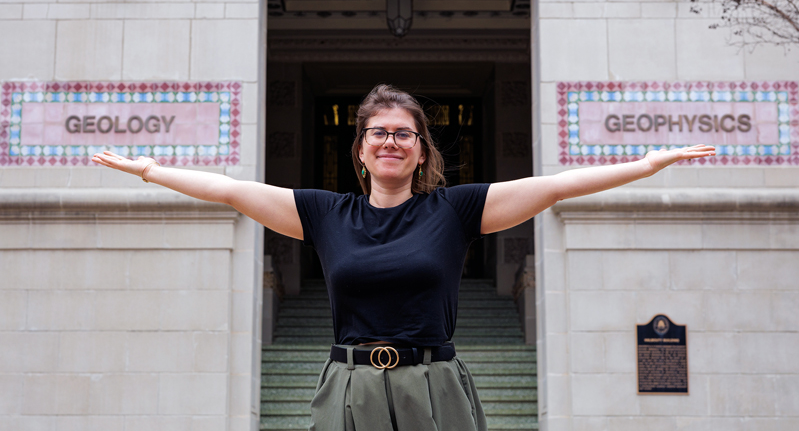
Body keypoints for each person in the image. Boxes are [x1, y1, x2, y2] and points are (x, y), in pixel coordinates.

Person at [92, 84, 715, 431]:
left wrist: (645, 165)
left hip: (434, 388)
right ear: (360, 147)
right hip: (348, 390)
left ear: (420, 149)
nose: (391, 141)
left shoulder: (456, 210)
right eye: (378, 131)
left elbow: (553, 187)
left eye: (404, 132)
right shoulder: (323, 214)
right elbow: (229, 189)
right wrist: (148, 169)